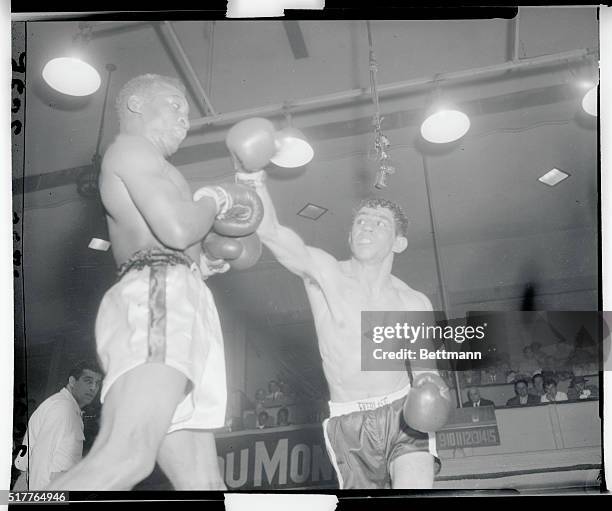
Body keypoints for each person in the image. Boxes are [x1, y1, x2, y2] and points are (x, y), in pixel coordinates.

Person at [50, 74, 262, 491]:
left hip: (176, 295)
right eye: (174, 105)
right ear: (136, 106)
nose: (185, 118)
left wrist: (210, 261)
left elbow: (184, 248)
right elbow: (179, 229)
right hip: (157, 296)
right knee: (125, 458)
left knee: (204, 484)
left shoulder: (165, 171)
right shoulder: (130, 150)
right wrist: (215, 198)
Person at [227, 119, 450, 489]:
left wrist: (432, 388)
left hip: (402, 417)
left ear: (398, 243)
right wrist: (251, 177)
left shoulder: (413, 301)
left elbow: (425, 367)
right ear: (349, 235)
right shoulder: (326, 273)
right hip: (349, 421)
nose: (366, 226)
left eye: (379, 223)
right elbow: (273, 234)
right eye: (361, 221)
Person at [13, 360, 103, 490]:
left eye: (97, 383)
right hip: (40, 487)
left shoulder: (70, 409)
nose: (93, 388)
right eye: (88, 381)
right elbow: (41, 459)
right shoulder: (62, 408)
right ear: (72, 381)